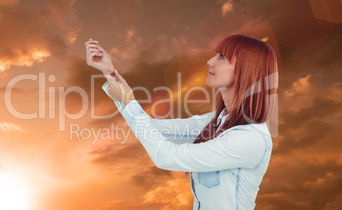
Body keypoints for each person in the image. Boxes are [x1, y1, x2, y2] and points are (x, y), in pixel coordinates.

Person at [85, 34, 278, 210]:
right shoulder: (215, 121)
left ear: (246, 69)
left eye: (221, 57)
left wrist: (128, 100)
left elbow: (166, 156)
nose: (210, 62)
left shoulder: (249, 139)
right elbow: (154, 129)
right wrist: (109, 72)